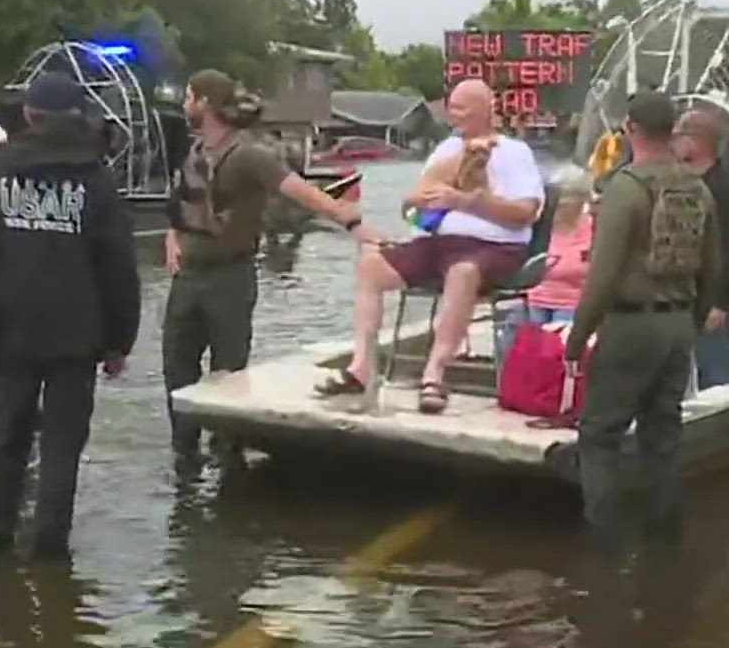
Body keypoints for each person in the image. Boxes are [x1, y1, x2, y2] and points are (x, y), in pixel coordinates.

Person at [0, 73, 140, 560]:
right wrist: (119, 341)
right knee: (61, 444)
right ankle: (51, 548)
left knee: (7, 434)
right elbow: (117, 264)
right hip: (78, 334)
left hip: (7, 328)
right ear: (77, 115)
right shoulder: (97, 179)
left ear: (29, 116)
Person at [163, 68, 377, 455]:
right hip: (188, 279)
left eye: (189, 96)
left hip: (230, 277)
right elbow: (180, 206)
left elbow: (301, 192)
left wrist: (352, 221)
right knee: (177, 374)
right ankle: (184, 458)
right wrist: (172, 241)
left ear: (205, 103)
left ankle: (227, 458)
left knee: (228, 374)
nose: (184, 104)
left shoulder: (249, 156)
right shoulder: (193, 152)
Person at [321, 79, 544, 414]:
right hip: (438, 240)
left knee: (463, 271)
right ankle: (362, 366)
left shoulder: (514, 153)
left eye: (461, 108)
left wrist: (467, 202)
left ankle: (435, 373)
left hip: (495, 246)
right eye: (451, 107)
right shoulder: (445, 151)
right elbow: (412, 208)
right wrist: (417, 205)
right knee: (371, 266)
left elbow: (525, 214)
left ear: (486, 109)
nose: (452, 115)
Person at [564, 92, 720, 541]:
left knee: (599, 436)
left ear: (630, 129)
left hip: (632, 324)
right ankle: (666, 539)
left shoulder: (627, 188)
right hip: (677, 325)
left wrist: (578, 338)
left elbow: (604, 275)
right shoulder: (697, 188)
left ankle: (604, 545)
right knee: (662, 436)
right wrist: (691, 323)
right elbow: (713, 267)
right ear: (672, 131)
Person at [673, 108, 729, 388]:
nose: (673, 144)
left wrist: (721, 302)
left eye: (678, 136)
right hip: (677, 293)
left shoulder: (727, 189)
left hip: (710, 299)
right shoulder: (678, 183)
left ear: (696, 141)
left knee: (714, 373)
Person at [496, 164, 594, 367]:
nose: (558, 203)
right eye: (555, 197)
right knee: (524, 348)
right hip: (537, 299)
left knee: (556, 358)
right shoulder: (540, 227)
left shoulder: (592, 228)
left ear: (582, 199)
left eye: (566, 197)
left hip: (572, 302)